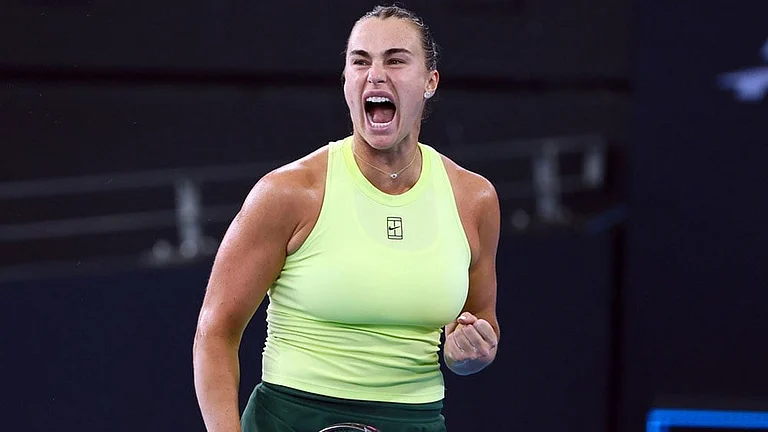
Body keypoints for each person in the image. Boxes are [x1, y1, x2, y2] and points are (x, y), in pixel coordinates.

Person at [193, 5, 501, 432]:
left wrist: (470, 354)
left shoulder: (475, 199)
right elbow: (215, 333)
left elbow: (476, 333)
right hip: (290, 419)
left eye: (395, 59)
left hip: (416, 420)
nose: (375, 75)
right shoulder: (288, 193)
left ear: (430, 81)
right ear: (346, 82)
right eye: (360, 61)